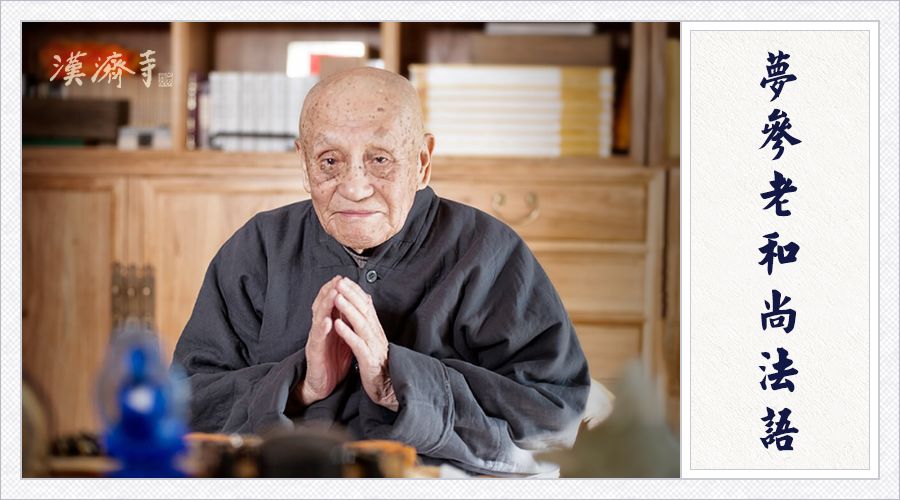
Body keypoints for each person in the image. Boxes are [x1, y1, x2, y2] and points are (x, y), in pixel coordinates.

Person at [172, 67, 591, 475]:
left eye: (380, 159)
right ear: (304, 164)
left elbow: (554, 417)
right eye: (330, 160)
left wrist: (397, 381)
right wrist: (301, 385)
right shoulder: (259, 249)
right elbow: (187, 405)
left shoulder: (487, 252)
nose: (355, 187)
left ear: (422, 162)